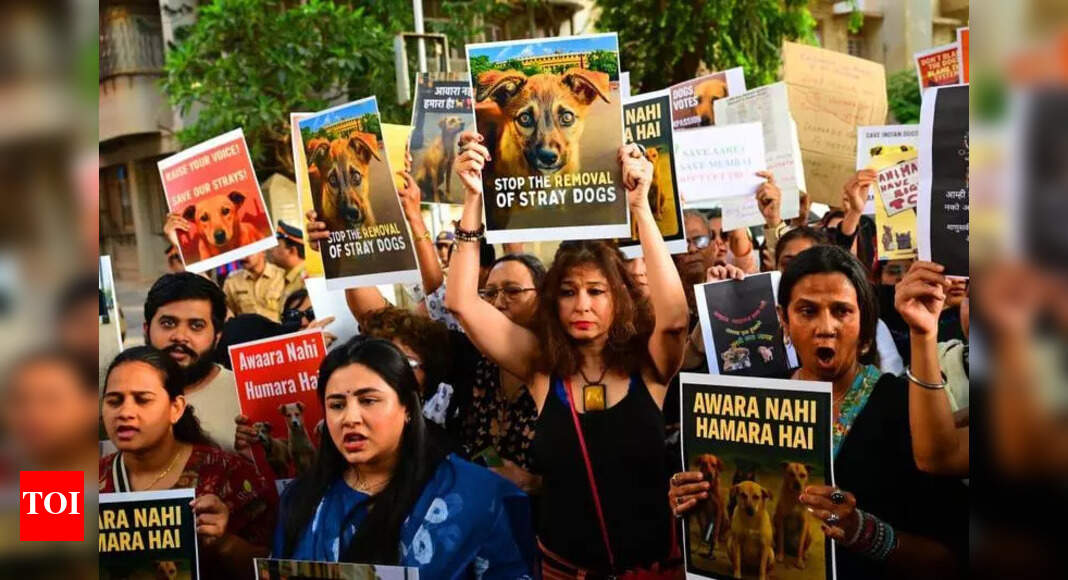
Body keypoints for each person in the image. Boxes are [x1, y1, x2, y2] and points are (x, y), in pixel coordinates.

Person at [446, 133, 689, 576]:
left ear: (619, 298)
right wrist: (473, 198)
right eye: (568, 292)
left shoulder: (649, 367)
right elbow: (462, 301)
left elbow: (674, 318)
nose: (582, 305)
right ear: (551, 302)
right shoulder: (541, 370)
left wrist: (640, 209)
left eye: (596, 291)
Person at [669, 246, 966, 579]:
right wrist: (695, 499)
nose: (825, 326)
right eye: (807, 311)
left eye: (841, 311)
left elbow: (949, 559)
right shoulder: (751, 402)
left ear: (864, 321)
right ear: (783, 318)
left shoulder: (905, 407)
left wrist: (864, 532)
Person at [272, 336, 535, 576]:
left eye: (368, 401)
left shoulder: (474, 496)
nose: (350, 418)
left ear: (408, 407)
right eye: (337, 405)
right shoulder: (301, 499)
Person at [100, 346, 277, 580]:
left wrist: (225, 543)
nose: (125, 412)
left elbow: (270, 569)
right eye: (114, 401)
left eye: (142, 400)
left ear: (176, 408)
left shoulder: (228, 473)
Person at [462, 253, 546, 493]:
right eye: (489, 293)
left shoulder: (561, 367)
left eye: (513, 291)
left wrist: (534, 483)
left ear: (542, 297)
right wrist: (499, 472)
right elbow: (479, 442)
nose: (498, 302)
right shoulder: (483, 365)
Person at [144, 272, 241, 450]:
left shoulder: (244, 396)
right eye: (168, 323)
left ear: (217, 337)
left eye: (196, 326)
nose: (180, 337)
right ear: (146, 329)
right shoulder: (117, 395)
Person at [223, 251, 286, 322]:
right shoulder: (232, 281)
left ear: (263, 252)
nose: (242, 258)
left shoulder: (281, 276)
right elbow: (226, 313)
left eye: (248, 251)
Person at [268, 221, 307, 303]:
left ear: (292, 251)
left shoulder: (307, 279)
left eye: (276, 246)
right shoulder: (290, 277)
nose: (270, 250)